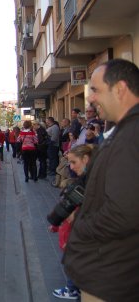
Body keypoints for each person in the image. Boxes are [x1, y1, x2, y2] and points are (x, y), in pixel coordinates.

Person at [64, 59, 139, 302]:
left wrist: (82, 225)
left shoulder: (130, 137)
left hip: (112, 273)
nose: (90, 99)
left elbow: (123, 213)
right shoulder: (124, 130)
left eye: (95, 90)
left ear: (120, 89)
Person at [51, 144, 95, 300]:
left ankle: (73, 289)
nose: (70, 167)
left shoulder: (93, 180)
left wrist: (76, 215)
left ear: (85, 159)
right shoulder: (86, 179)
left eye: (73, 162)